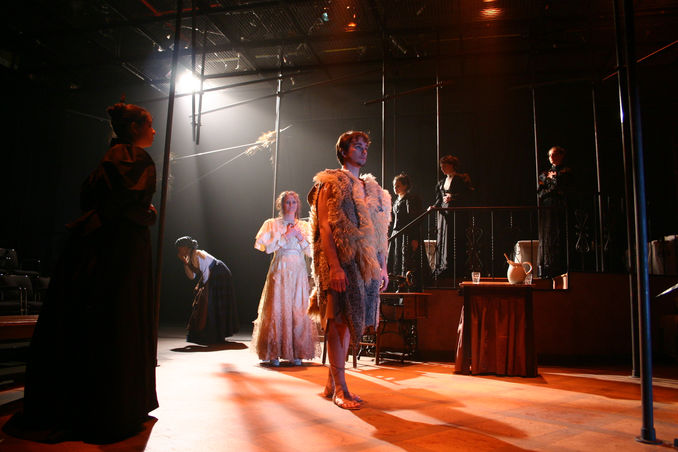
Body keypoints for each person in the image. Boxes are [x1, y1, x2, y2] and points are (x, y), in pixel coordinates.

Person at [5, 102, 159, 443]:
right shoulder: (130, 157)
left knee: (94, 321)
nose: (154, 131)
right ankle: (109, 407)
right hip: (118, 252)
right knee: (114, 320)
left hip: (104, 247)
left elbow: (104, 200)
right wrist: (148, 215)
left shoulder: (111, 157)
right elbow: (122, 205)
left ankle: (98, 402)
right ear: (135, 128)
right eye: (149, 124)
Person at [308, 130, 391, 410]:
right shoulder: (330, 182)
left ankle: (332, 384)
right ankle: (340, 389)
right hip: (340, 261)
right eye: (357, 146)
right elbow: (324, 226)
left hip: (364, 265)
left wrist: (383, 266)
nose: (364, 150)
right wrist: (334, 266)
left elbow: (380, 231)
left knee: (349, 322)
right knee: (338, 321)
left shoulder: (372, 189)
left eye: (366, 146)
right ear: (343, 151)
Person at [251, 191, 318, 366]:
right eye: (287, 202)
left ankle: (297, 351)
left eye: (294, 202)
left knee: (297, 308)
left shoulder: (304, 226)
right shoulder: (272, 224)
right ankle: (274, 352)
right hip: (280, 269)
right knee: (277, 307)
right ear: (281, 205)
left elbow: (311, 252)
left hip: (298, 270)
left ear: (298, 205)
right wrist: (285, 236)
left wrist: (299, 236)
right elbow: (267, 248)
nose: (291, 205)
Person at [175, 236, 239, 345]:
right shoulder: (190, 257)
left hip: (219, 272)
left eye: (179, 248)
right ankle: (213, 334)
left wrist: (205, 286)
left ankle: (215, 334)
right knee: (209, 303)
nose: (178, 250)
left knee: (211, 303)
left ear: (185, 247)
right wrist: (184, 262)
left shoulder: (196, 253)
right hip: (214, 274)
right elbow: (192, 276)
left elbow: (205, 270)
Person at [432, 154, 475, 280]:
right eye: (441, 166)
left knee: (454, 240)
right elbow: (439, 199)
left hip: (456, 215)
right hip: (444, 215)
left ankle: (455, 269)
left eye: (445, 166)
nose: (442, 168)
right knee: (443, 239)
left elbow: (468, 195)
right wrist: (434, 207)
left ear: (452, 166)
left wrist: (453, 198)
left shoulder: (461, 179)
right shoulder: (441, 182)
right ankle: (443, 267)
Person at [537, 146, 572, 279]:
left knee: (560, 233)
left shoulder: (566, 171)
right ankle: (547, 267)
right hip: (548, 209)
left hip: (560, 207)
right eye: (550, 155)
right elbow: (540, 192)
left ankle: (561, 267)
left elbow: (561, 187)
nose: (551, 157)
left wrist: (552, 183)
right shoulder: (545, 173)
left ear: (561, 155)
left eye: (555, 154)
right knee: (547, 235)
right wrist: (551, 187)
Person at [387, 172, 427, 290]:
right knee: (395, 261)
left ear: (405, 186)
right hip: (397, 235)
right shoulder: (396, 200)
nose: (395, 188)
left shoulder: (411, 199)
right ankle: (396, 287)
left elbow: (414, 219)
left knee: (408, 262)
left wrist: (414, 238)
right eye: (394, 185)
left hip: (407, 235)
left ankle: (408, 287)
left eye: (398, 185)